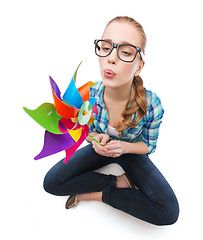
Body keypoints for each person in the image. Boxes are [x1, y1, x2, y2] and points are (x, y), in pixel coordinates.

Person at [43, 16, 179, 226]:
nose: (111, 58)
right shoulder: (89, 94)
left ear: (139, 66)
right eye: (105, 47)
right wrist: (95, 138)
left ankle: (99, 195)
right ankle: (118, 181)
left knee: (168, 212)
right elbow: (82, 128)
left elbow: (149, 145)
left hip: (130, 152)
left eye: (125, 52)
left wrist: (124, 146)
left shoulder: (152, 104)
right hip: (101, 149)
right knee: (51, 183)